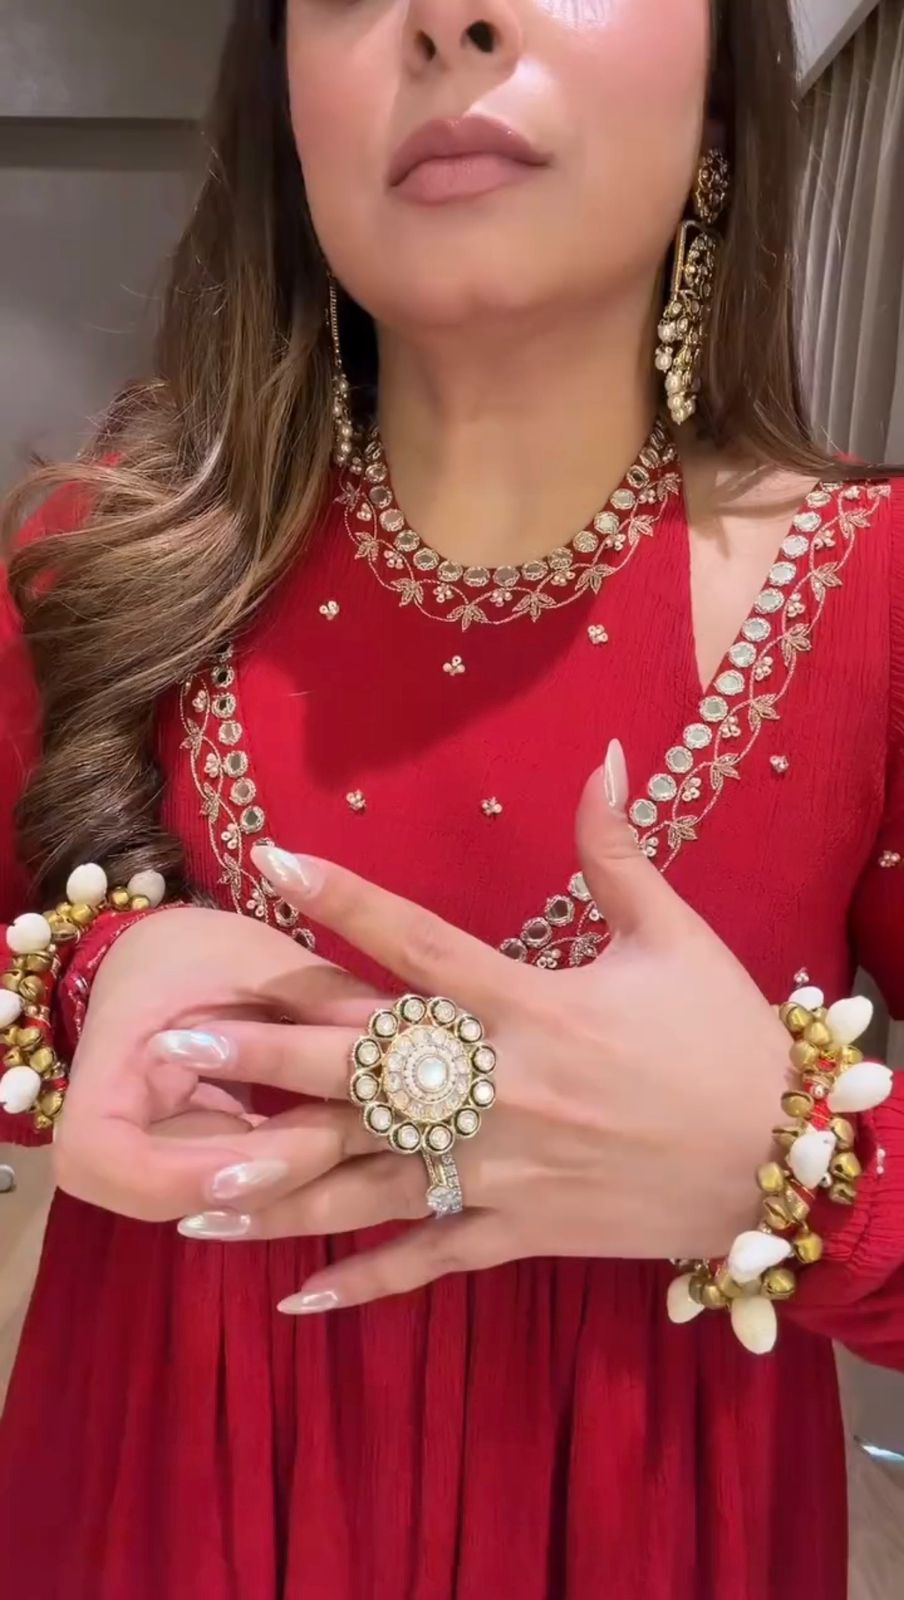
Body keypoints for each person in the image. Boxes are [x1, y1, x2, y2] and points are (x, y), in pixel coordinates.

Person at [1, 0, 902, 1595]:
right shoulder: (95, 563)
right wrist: (88, 983)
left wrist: (801, 1165)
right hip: (147, 1509)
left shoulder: (880, 601)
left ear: (723, 97)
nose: (448, 17)